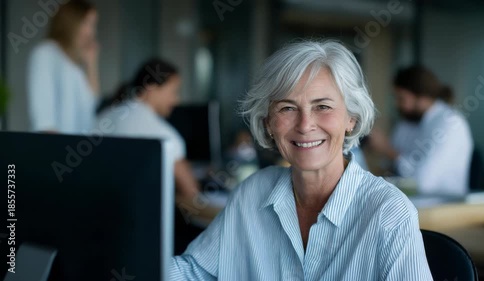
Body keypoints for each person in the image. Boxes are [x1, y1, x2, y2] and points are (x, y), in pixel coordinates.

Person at [169, 40, 432, 280]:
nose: (305, 125)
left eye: (323, 106)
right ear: (268, 122)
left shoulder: (389, 213)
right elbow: (194, 273)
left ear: (351, 118)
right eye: (287, 108)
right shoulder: (251, 194)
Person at [95, 58, 220, 223]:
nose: (177, 100)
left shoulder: (104, 116)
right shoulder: (165, 135)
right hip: (141, 225)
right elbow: (192, 195)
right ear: (151, 88)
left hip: (97, 218)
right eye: (173, 92)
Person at [370, 65, 473, 196]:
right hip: (409, 200)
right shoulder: (408, 122)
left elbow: (422, 182)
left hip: (442, 206)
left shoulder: (449, 123)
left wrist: (387, 149)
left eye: (401, 98)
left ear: (422, 97)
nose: (397, 104)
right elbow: (389, 169)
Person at [27, 0, 99, 134]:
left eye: (93, 25)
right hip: (54, 150)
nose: (91, 32)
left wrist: (91, 64)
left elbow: (91, 104)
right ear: (71, 23)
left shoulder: (75, 67)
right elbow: (44, 121)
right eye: (87, 23)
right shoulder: (45, 54)